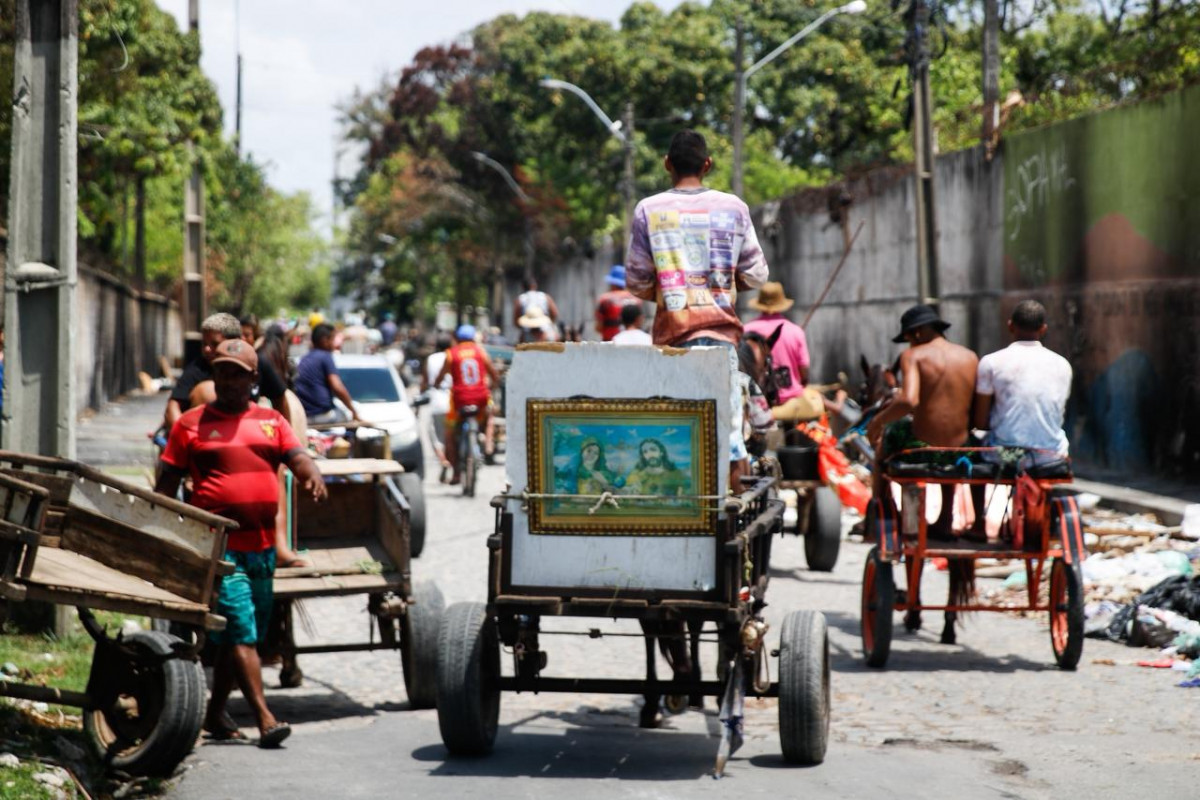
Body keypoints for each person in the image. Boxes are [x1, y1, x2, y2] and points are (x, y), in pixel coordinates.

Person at [155, 339, 327, 748]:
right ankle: (265, 718)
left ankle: (215, 714)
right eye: (221, 372)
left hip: (263, 549)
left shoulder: (271, 421)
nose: (228, 381)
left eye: (237, 373)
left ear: (253, 378)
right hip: (218, 550)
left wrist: (311, 472)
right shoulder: (190, 424)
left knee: (244, 635)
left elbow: (296, 454)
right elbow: (165, 485)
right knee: (241, 628)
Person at [624, 129, 769, 486]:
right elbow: (757, 274)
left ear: (667, 165)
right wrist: (722, 283)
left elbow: (636, 280)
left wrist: (669, 287)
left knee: (671, 435)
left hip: (671, 344)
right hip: (721, 341)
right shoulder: (734, 207)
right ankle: (727, 526)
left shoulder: (649, 209)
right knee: (730, 436)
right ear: (708, 165)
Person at [867, 304, 979, 539]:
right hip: (961, 450)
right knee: (953, 441)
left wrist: (876, 422)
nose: (908, 344)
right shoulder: (970, 357)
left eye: (908, 338)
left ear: (916, 333)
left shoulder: (913, 355)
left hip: (921, 449)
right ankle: (945, 518)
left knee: (885, 442)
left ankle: (877, 513)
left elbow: (908, 400)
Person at [969, 300, 1072, 537]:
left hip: (1005, 456)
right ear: (1043, 329)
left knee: (970, 449)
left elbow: (981, 421)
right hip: (1050, 456)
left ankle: (977, 525)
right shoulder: (1062, 365)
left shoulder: (991, 363)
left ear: (1010, 326)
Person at [433, 325, 500, 485]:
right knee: (490, 416)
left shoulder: (451, 354)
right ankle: (488, 442)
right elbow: (493, 374)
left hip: (460, 401)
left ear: (457, 338)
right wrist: (493, 385)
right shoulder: (481, 352)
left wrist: (436, 384)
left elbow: (440, 377)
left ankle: (456, 473)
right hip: (481, 399)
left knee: (449, 435)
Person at [162, 313, 242, 431]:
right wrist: (187, 438)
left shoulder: (254, 365)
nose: (207, 349)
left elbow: (278, 396)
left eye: (214, 344)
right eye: (204, 344)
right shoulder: (196, 370)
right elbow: (172, 409)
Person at [744, 282, 810, 405]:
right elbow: (804, 372)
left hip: (756, 399)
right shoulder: (796, 331)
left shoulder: (746, 330)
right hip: (790, 399)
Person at [293, 323, 361, 423]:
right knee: (350, 416)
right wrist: (353, 411)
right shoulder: (325, 357)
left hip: (304, 416)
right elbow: (337, 387)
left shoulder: (305, 358)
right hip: (322, 414)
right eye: (333, 339)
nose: (335, 343)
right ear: (325, 340)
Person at [421, 333, 455, 481]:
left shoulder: (431, 359)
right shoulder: (453, 356)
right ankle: (454, 463)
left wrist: (420, 398)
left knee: (435, 436)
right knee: (451, 435)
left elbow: (425, 381)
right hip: (452, 399)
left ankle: (443, 460)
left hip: (437, 399)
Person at [622, 438, 690, 497]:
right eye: (645, 452)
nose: (650, 454)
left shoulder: (675, 474)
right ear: (643, 456)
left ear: (661, 452)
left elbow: (681, 498)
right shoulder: (635, 475)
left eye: (653, 450)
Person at [595, 265, 640, 342]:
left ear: (612, 283)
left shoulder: (604, 300)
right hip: (631, 342)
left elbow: (599, 326)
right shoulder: (636, 300)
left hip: (610, 343)